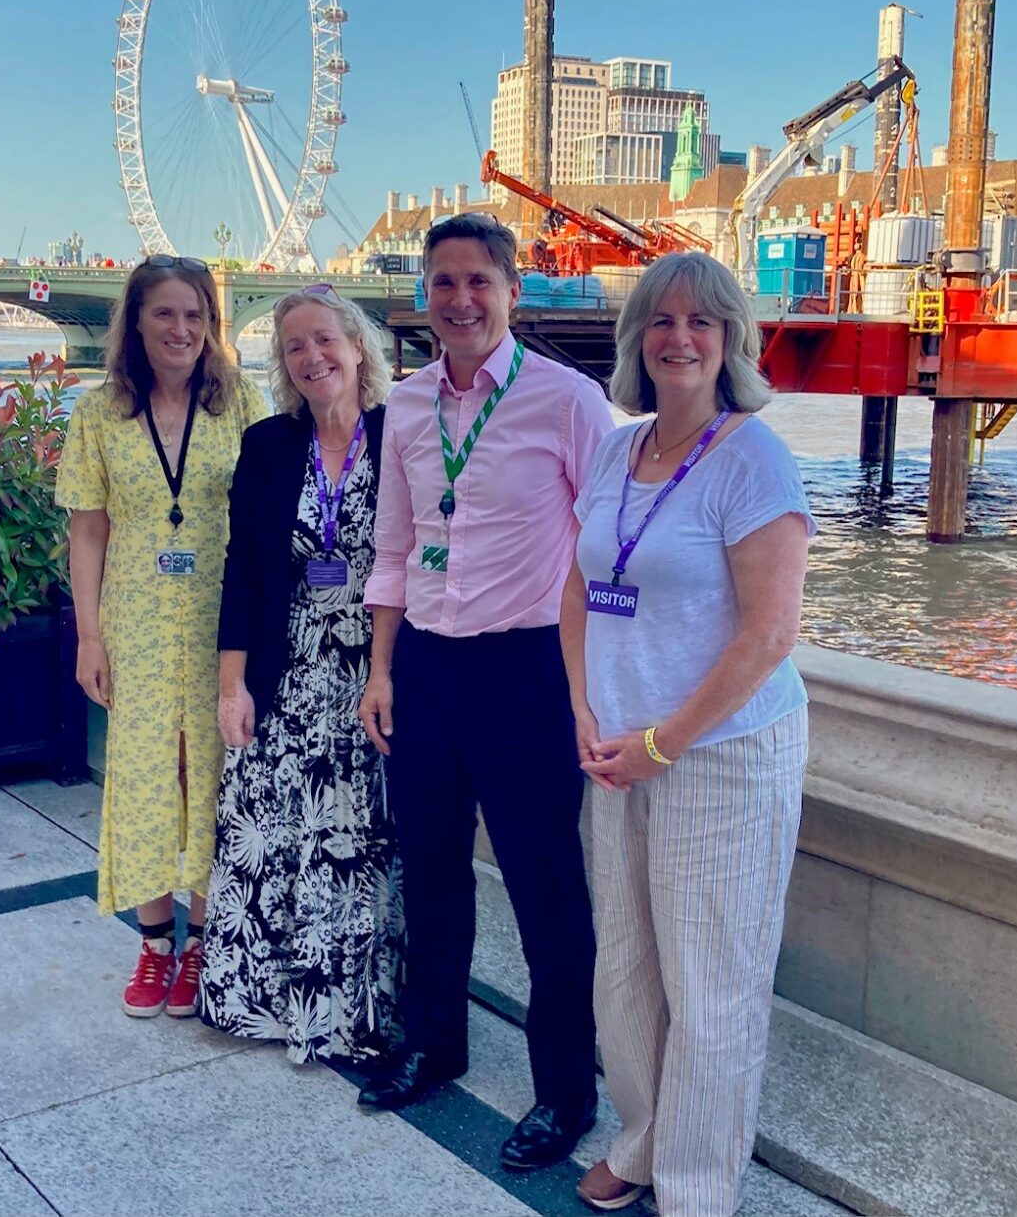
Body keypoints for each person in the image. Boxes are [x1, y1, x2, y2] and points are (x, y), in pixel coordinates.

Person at [561, 252, 815, 1216]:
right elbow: (581, 586)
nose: (678, 339)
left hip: (718, 757)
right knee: (624, 964)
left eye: (701, 323)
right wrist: (585, 706)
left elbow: (768, 635)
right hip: (615, 748)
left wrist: (662, 742)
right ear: (636, 342)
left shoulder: (754, 458)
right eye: (659, 322)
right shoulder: (613, 451)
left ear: (729, 341)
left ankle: (699, 1185)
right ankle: (641, 1139)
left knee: (712, 981)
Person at [358, 213, 611, 1171]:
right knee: (429, 871)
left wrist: (597, 687)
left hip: (527, 670)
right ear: (423, 297)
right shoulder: (409, 407)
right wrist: (381, 672)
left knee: (546, 889)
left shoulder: (568, 401)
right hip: (426, 666)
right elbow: (390, 548)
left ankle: (562, 1093)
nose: (460, 301)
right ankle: (434, 1044)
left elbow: (605, 545)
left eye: (478, 283)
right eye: (442, 283)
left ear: (512, 292)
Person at [56, 255, 268, 1017]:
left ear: (211, 326)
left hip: (223, 617)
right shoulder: (97, 413)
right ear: (136, 322)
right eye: (165, 314)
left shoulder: (240, 402)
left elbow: (271, 514)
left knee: (212, 772)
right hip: (136, 617)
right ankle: (154, 944)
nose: (181, 330)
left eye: (195, 316)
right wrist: (89, 637)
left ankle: (206, 942)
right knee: (145, 775)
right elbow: (87, 530)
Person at [202, 284, 403, 1063]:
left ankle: (349, 1011)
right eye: (294, 346)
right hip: (287, 672)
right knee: (275, 832)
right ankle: (268, 1001)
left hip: (372, 671)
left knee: (354, 840)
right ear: (282, 365)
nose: (313, 356)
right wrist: (232, 685)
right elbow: (243, 572)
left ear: (357, 347)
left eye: (326, 340)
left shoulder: (400, 435)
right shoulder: (267, 445)